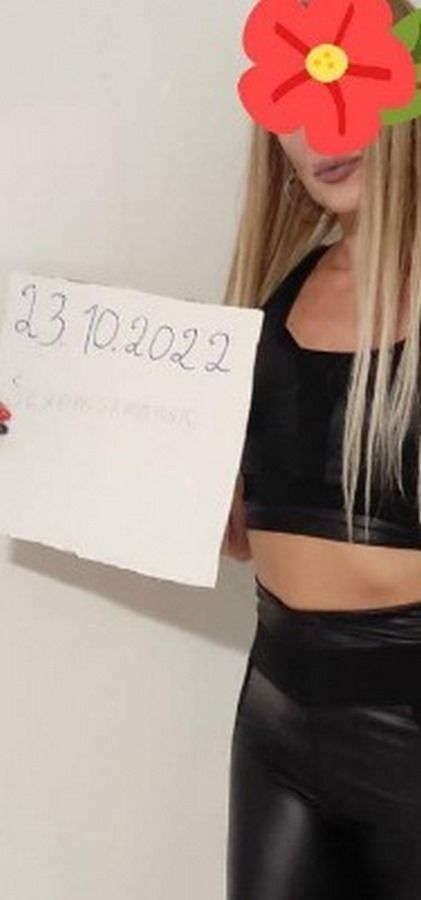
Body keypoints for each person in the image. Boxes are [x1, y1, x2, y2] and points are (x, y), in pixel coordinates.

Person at [222, 0, 421, 895]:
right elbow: (244, 535)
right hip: (277, 719)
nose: (317, 136)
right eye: (289, 106)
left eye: (341, 93)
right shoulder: (272, 298)